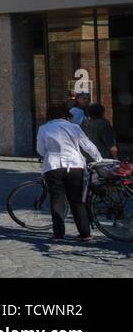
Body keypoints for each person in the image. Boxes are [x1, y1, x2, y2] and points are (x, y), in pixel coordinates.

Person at [37, 102, 103, 241]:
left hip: (53, 165)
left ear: (49, 115)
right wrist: (99, 159)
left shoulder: (44, 128)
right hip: (74, 165)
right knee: (76, 200)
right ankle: (85, 233)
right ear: (66, 114)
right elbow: (87, 145)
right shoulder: (74, 127)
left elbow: (40, 149)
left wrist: (49, 153)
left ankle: (59, 234)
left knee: (57, 200)